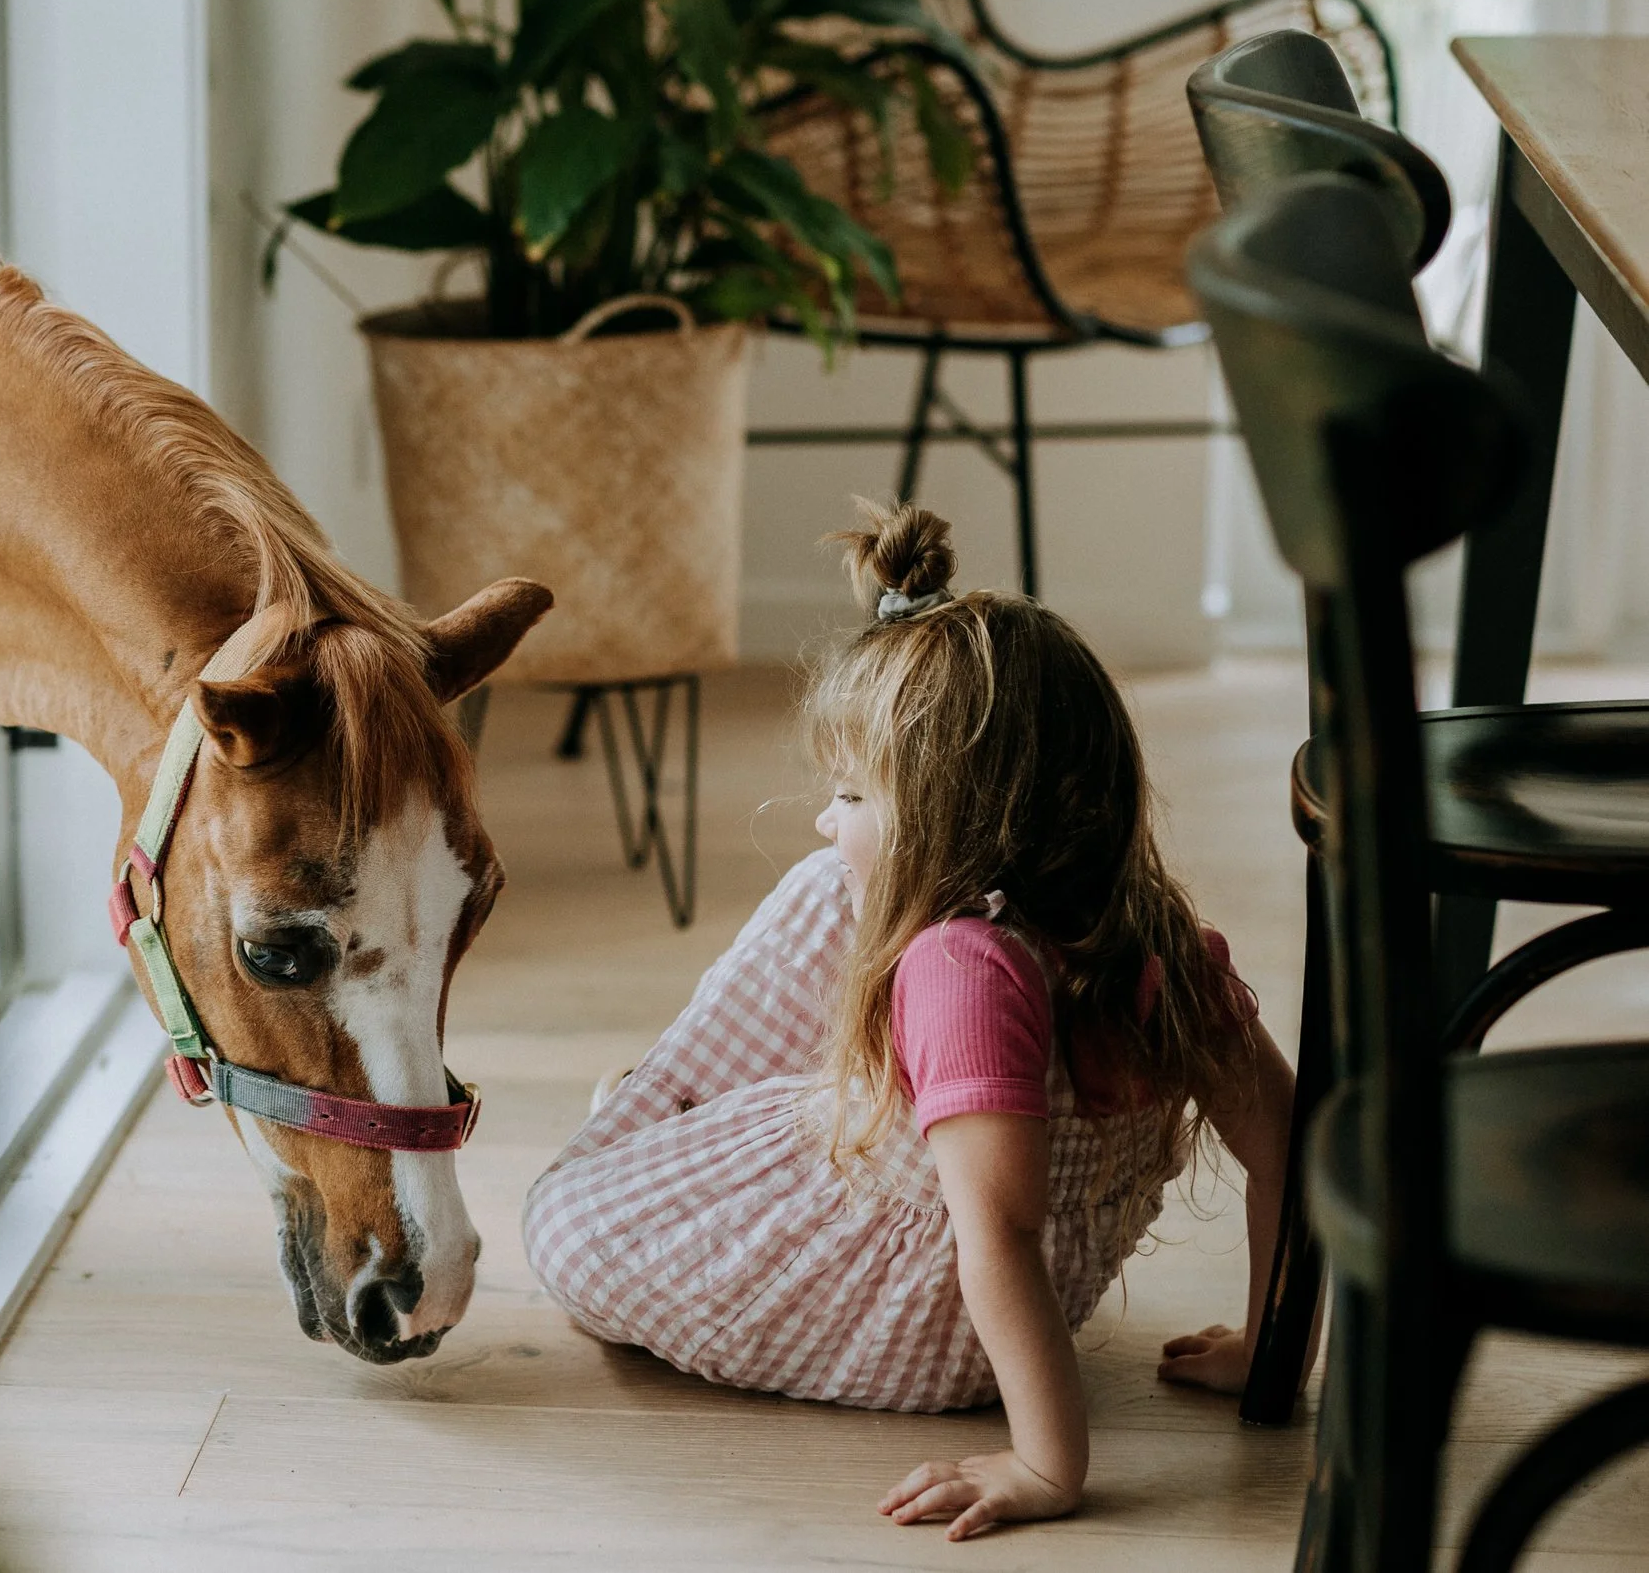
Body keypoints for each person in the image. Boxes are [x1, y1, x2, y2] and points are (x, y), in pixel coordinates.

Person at [521, 501, 1297, 1541]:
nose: (823, 814)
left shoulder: (961, 969)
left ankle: (653, 1127)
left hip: (911, 1328)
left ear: (950, 816)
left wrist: (1046, 1462)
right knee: (839, 894)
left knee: (566, 1219)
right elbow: (1294, 1142)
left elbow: (1000, 1231)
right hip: (1022, 1324)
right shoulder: (1163, 938)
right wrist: (1270, 1345)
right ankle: (678, 1118)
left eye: (849, 792)